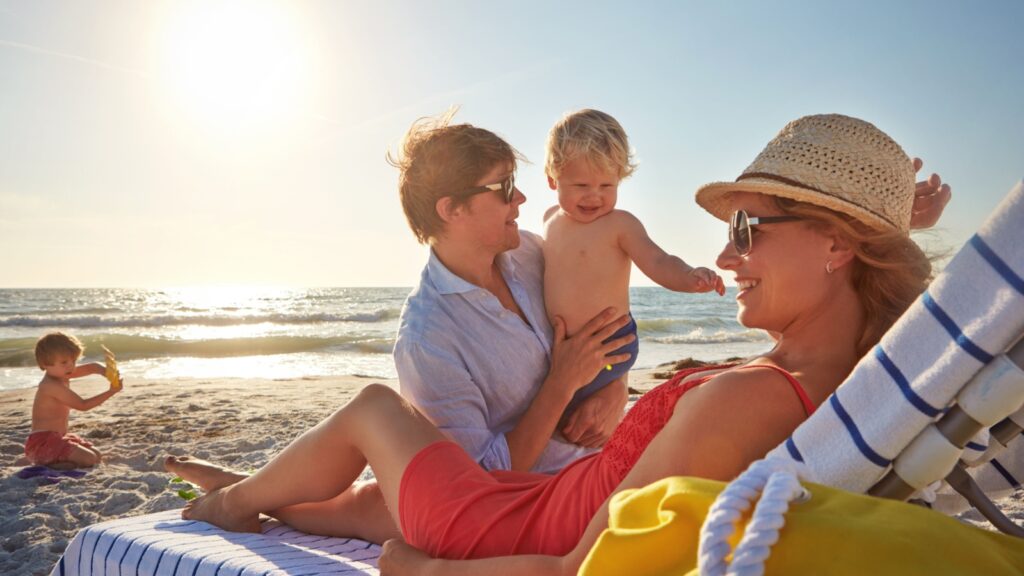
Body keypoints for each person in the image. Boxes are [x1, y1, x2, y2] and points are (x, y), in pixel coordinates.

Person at [166, 113, 939, 574]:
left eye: (745, 229)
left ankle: (233, 500)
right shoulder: (845, 373)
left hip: (512, 518)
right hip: (535, 492)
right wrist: (897, 228)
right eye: (505, 190)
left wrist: (425, 571)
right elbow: (889, 311)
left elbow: (579, 571)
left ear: (839, 247)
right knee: (360, 506)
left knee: (373, 411)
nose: (729, 257)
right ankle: (253, 489)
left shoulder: (747, 397)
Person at [392, 111, 635, 472]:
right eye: (504, 187)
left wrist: (614, 389)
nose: (520, 197)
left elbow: (606, 326)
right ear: (451, 209)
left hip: (613, 466)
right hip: (540, 503)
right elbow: (480, 478)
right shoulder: (427, 341)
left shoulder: (535, 252)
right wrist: (560, 386)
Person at [542, 109, 724, 415]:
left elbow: (658, 259)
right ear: (553, 180)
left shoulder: (620, 225)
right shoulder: (549, 220)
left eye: (606, 186)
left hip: (610, 343)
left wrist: (690, 275)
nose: (594, 196)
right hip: (562, 347)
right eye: (581, 186)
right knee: (566, 418)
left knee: (594, 419)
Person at [24, 332, 122, 468]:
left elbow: (91, 367)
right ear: (45, 364)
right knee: (89, 459)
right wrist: (110, 392)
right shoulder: (50, 385)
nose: (70, 366)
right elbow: (83, 405)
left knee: (96, 455)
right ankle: (48, 465)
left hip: (58, 438)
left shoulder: (62, 372)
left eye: (74, 361)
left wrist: (107, 372)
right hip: (42, 445)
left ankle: (62, 463)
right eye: (64, 362)